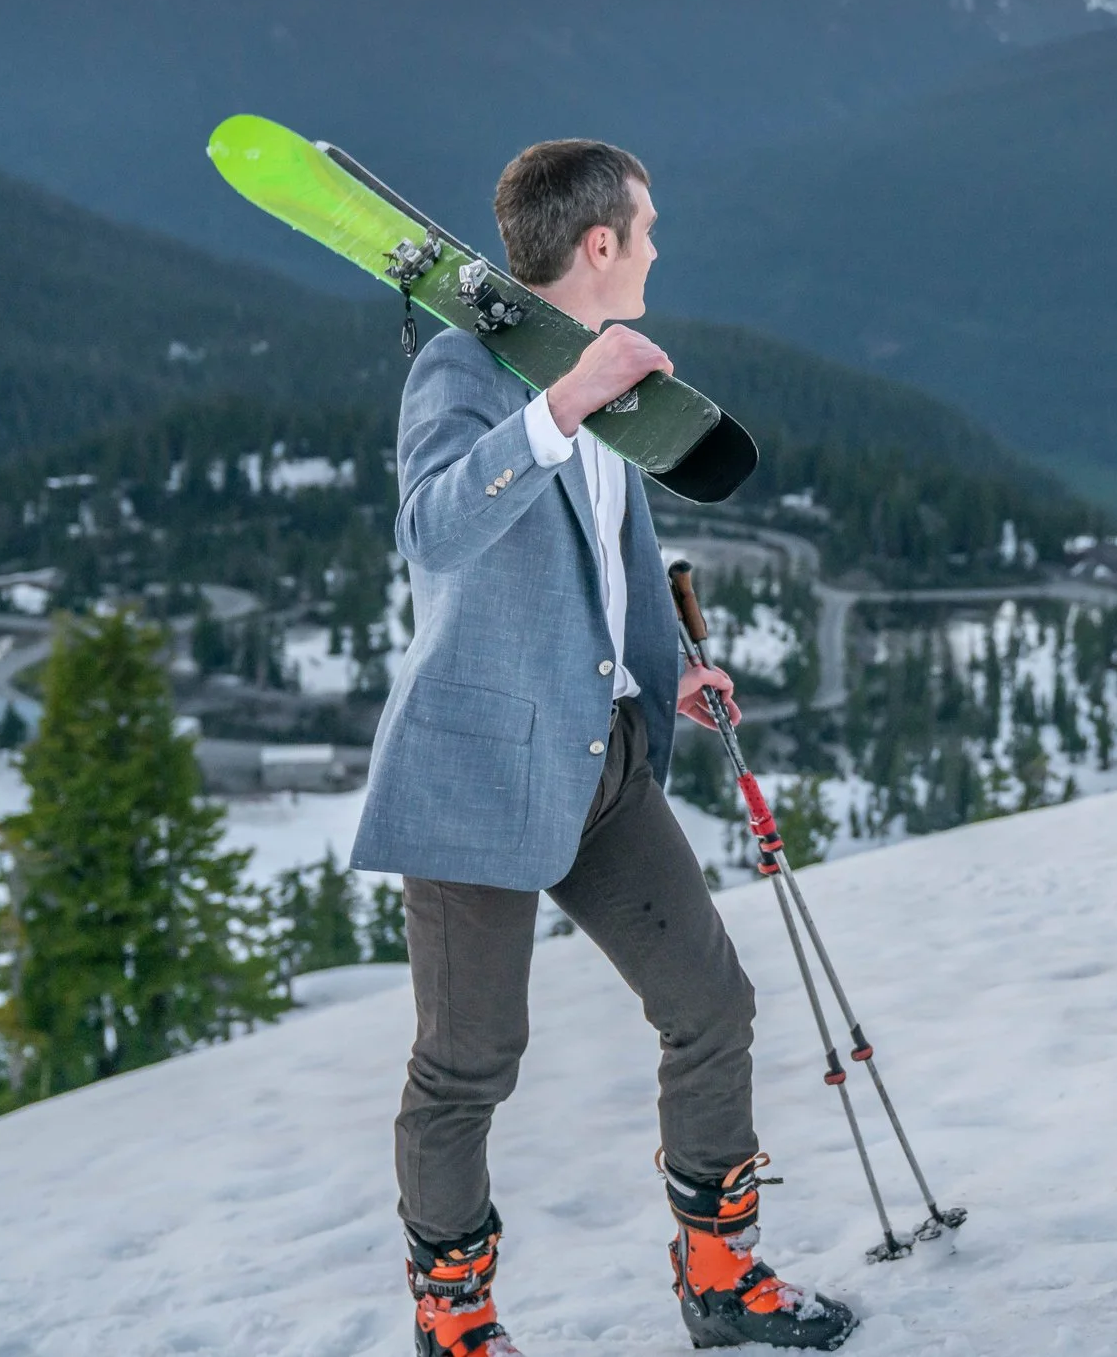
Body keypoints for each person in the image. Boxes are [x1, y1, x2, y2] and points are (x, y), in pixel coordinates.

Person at [354, 139, 855, 1353]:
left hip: (604, 753)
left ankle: (722, 1282)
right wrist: (562, 406)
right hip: (479, 767)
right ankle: (456, 1325)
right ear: (598, 245)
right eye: (647, 227)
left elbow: (606, 556)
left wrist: (670, 669)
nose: (656, 246)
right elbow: (433, 533)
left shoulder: (605, 375)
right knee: (469, 1066)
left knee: (711, 1006)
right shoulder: (467, 374)